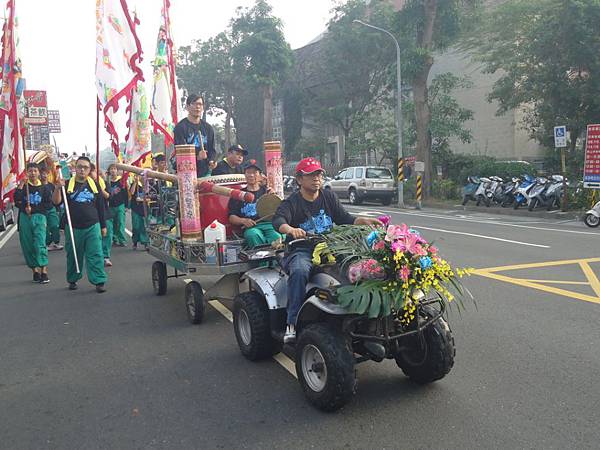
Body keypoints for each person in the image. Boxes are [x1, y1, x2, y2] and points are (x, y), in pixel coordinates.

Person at [272, 157, 382, 343]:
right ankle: (292, 323)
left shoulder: (328, 196)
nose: (317, 178)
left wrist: (362, 220)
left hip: (331, 246)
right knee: (299, 272)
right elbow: (278, 221)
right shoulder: (292, 202)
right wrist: (291, 230)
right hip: (303, 250)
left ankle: (366, 315)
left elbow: (344, 217)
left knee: (362, 265)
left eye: (319, 174)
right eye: (311, 175)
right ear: (299, 179)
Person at [52, 156, 108, 293]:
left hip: (92, 225)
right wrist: (58, 188)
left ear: (89, 170)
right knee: (73, 254)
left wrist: (103, 225)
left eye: (86, 167)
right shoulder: (66, 184)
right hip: (73, 227)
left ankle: (99, 281)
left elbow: (101, 206)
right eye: (80, 167)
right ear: (75, 168)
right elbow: (56, 202)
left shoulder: (95, 184)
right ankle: (72, 279)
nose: (82, 170)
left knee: (96, 254)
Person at [14, 162, 53, 283]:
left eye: (35, 171)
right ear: (26, 173)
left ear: (39, 172)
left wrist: (35, 209)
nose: (33, 173)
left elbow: (48, 204)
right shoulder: (23, 186)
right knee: (28, 245)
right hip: (25, 218)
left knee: (40, 243)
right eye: (30, 171)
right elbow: (17, 201)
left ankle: (44, 271)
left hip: (40, 217)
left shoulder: (45, 188)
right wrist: (21, 185)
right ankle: (35, 271)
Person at [228, 161, 282, 248]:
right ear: (244, 175)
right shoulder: (239, 195)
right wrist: (243, 221)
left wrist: (274, 197)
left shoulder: (267, 192)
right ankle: (261, 261)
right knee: (253, 235)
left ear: (260, 175)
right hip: (251, 228)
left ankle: (275, 261)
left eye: (254, 172)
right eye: (248, 172)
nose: (251, 175)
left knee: (276, 237)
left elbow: (277, 210)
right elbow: (231, 217)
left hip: (268, 225)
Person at [173, 94, 216, 177]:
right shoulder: (180, 127)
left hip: (205, 173)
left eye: (200, 104)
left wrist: (212, 161)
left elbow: (212, 150)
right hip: (186, 172)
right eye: (194, 104)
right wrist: (197, 157)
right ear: (187, 107)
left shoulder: (208, 128)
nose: (198, 107)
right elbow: (181, 152)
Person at [90, 163, 113, 267]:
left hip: (105, 213)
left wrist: (98, 186)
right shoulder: (83, 185)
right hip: (92, 216)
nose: (91, 174)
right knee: (94, 238)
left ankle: (105, 256)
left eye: (92, 172)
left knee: (106, 236)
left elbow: (109, 196)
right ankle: (96, 257)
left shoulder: (103, 183)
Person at [40, 167, 63, 251]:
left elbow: (56, 198)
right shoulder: (38, 186)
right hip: (42, 210)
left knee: (55, 225)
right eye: (42, 174)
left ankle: (56, 242)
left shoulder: (51, 185)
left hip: (51, 208)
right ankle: (46, 243)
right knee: (45, 228)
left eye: (45, 173)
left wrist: (57, 209)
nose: (44, 175)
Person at [107, 164, 128, 247]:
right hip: (110, 205)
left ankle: (122, 240)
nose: (113, 170)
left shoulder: (121, 181)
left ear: (117, 170)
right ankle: (114, 238)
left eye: (114, 169)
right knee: (112, 224)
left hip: (120, 205)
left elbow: (125, 193)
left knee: (120, 222)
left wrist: (126, 206)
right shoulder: (107, 182)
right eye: (111, 169)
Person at [128, 174, 149, 250]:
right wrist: (135, 183)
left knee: (144, 227)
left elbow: (149, 197)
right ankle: (135, 241)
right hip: (135, 208)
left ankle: (146, 243)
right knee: (136, 226)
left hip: (144, 209)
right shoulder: (135, 184)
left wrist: (145, 200)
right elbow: (132, 192)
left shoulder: (147, 185)